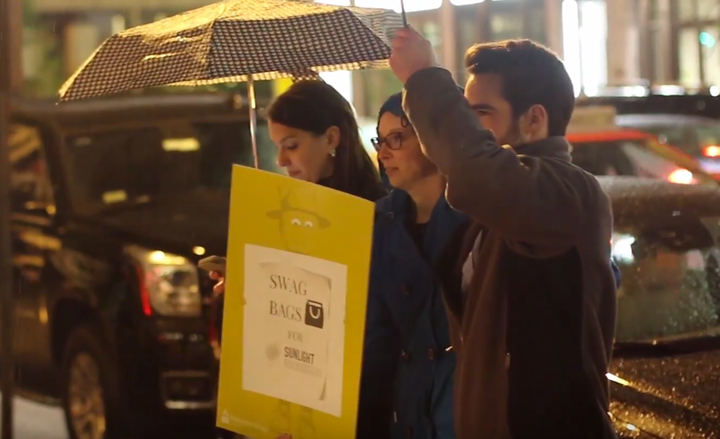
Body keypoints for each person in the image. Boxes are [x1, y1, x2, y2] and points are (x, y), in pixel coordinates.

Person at [388, 30, 618, 439]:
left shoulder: (570, 192)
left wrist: (423, 76)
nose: (472, 128)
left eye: (482, 113)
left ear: (534, 118)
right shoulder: (501, 204)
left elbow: (478, 172)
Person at [203, 79, 386, 294]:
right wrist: (247, 278)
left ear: (331, 138)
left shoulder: (374, 211)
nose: (281, 160)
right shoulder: (288, 207)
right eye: (278, 147)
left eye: (291, 146)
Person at [358, 92, 468, 439]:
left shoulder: (479, 218)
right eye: (380, 139)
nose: (383, 152)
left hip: (460, 413)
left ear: (435, 140)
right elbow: (375, 340)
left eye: (397, 138)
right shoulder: (378, 223)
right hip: (407, 415)